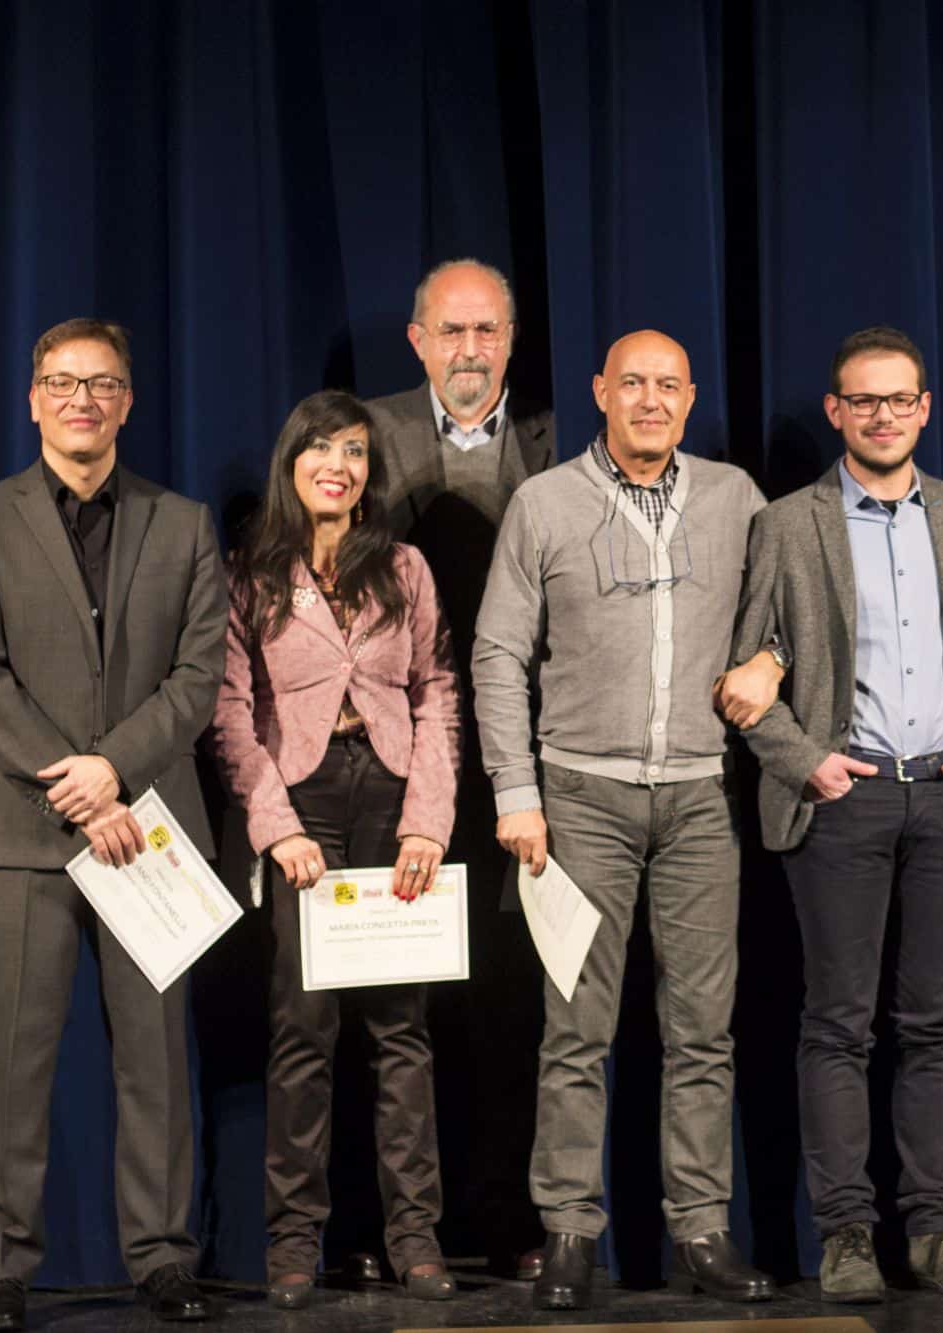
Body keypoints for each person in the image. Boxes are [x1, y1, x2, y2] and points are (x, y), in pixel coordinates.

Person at [474, 329, 782, 1310]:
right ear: (601, 392)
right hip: (577, 801)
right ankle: (567, 1229)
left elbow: (781, 620)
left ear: (689, 399)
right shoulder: (544, 502)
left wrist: (770, 659)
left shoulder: (736, 499)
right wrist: (515, 794)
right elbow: (494, 657)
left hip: (697, 796)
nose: (650, 400)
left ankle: (699, 1231)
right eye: (631, 384)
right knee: (576, 1029)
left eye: (668, 386)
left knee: (703, 1032)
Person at [722, 326, 943, 1303]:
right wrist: (805, 762)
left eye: (900, 399)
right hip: (842, 799)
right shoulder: (786, 523)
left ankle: (936, 1233)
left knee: (933, 1023)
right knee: (837, 1024)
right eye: (864, 400)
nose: (883, 415)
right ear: (835, 410)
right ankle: (846, 1236)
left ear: (924, 408)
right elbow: (741, 679)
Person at [0, 319, 227, 1329]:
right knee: (14, 1058)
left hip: (149, 830)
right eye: (62, 383)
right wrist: (75, 783)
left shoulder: (182, 523)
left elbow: (199, 678)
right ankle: (0, 1269)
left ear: (128, 401)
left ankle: (160, 1255)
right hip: (22, 831)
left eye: (101, 384)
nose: (81, 400)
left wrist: (116, 772)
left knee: (155, 1057)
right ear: (32, 399)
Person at [206, 391, 461, 1309]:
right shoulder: (252, 573)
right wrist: (276, 828)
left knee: (402, 1031)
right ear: (291, 463)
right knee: (302, 1031)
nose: (338, 465)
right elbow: (231, 713)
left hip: (392, 797)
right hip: (301, 800)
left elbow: (436, 689)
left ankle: (416, 1238)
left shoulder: (405, 566)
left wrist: (429, 815)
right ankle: (291, 1244)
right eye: (320, 448)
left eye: (354, 451)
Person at [365, 258, 556, 1279]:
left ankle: (512, 1221)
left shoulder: (560, 442)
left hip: (527, 770)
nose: (470, 351)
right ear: (417, 340)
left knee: (514, 1002)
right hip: (401, 765)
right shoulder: (362, 437)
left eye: (487, 332)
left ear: (511, 341)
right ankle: (395, 1230)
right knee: (396, 1005)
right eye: (451, 332)